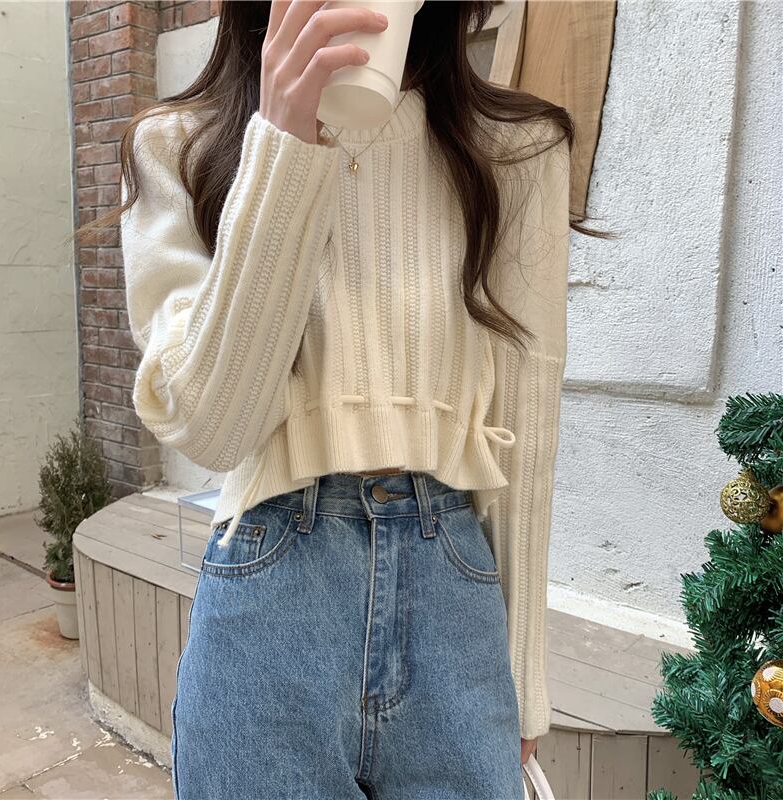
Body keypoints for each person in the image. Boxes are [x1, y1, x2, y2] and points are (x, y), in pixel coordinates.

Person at [106, 1, 596, 797]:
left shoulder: (514, 148)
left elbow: (526, 428)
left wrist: (525, 678)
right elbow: (213, 429)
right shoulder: (177, 145)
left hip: (455, 599)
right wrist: (285, 144)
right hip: (272, 593)